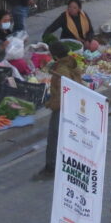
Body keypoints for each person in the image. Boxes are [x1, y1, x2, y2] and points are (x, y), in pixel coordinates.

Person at [33, 41, 84, 181]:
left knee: (54, 137)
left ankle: (51, 167)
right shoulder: (70, 63)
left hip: (63, 107)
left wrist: (51, 104)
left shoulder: (62, 71)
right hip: (72, 105)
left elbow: (63, 93)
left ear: (55, 55)